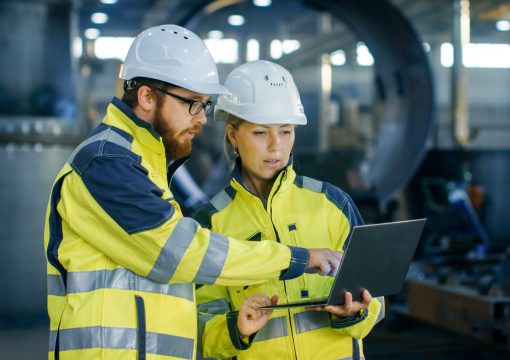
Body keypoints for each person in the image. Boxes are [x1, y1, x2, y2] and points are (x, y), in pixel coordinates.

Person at [43, 25, 342, 360]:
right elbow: (179, 253)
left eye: (205, 105)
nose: (201, 119)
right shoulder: (106, 162)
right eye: (193, 104)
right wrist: (296, 258)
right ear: (146, 97)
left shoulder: (143, 163)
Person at [194, 60, 385, 360]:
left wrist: (353, 312)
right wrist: (236, 329)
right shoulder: (209, 224)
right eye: (260, 133)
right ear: (233, 134)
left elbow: (376, 299)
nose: (276, 147)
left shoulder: (333, 204)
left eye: (285, 131)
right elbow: (201, 328)